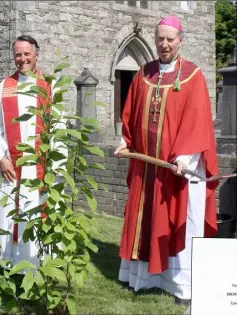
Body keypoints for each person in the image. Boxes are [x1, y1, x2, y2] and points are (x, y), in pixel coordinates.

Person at [114, 16, 219, 304]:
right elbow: (131, 114)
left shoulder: (193, 76)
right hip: (146, 168)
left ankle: (179, 283)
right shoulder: (143, 74)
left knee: (176, 221)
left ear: (180, 40)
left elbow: (197, 123)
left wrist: (184, 158)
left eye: (170, 39)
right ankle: (142, 277)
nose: (164, 44)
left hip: (175, 170)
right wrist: (126, 141)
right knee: (143, 218)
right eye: (160, 38)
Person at [0, 35, 54, 267]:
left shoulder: (48, 86)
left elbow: (58, 126)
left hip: (39, 168)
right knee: (9, 217)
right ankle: (9, 263)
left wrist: (55, 165)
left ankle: (38, 263)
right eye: (18, 55)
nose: (22, 59)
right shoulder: (5, 87)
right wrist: (0, 158)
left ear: (36, 55)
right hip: (10, 169)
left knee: (36, 212)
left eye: (26, 54)